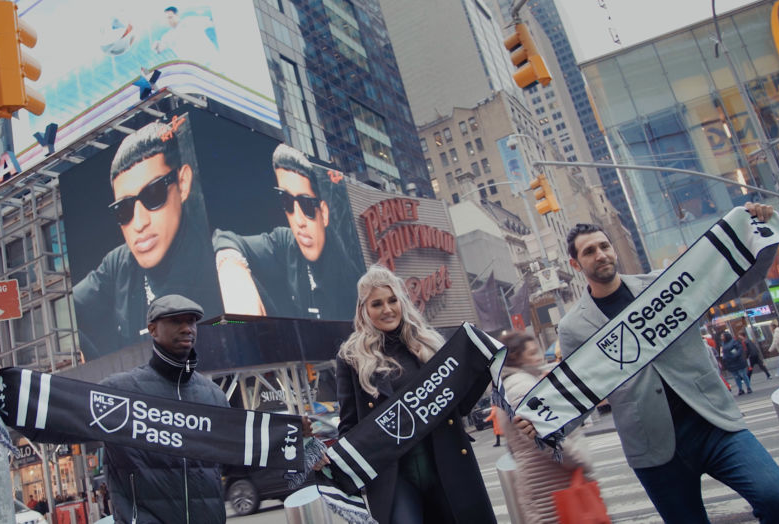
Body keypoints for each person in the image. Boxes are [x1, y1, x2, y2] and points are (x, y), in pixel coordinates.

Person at [518, 203, 779, 523]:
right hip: (654, 450)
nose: (600, 254)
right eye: (588, 252)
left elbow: (734, 282)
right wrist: (545, 423)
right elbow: (580, 390)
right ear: (575, 263)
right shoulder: (573, 327)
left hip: (714, 425)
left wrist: (764, 235)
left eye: (604, 246)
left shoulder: (664, 284)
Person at [0, 294, 228, 523]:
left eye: (192, 321)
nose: (187, 328)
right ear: (152, 329)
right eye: (176, 321)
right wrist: (4, 393)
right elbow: (58, 420)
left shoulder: (213, 396)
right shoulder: (121, 392)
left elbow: (239, 454)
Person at [334, 265, 496, 524]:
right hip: (394, 477)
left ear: (402, 302)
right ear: (364, 310)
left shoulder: (430, 344)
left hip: (446, 463)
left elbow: (459, 405)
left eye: (392, 300)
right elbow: (349, 426)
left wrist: (483, 367)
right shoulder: (351, 358)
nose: (387, 309)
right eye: (377, 304)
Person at [72, 121, 221, 359]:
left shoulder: (214, 256)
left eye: (154, 194)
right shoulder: (118, 264)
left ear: (183, 183)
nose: (139, 222)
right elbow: (69, 310)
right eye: (124, 209)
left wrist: (233, 260)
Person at [213, 144, 360, 320]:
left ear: (325, 213)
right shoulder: (286, 241)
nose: (298, 221)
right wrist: (234, 272)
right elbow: (227, 239)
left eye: (307, 205)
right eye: (287, 201)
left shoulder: (349, 270)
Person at [498, 331, 594, 524]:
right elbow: (549, 438)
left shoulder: (514, 386)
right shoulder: (521, 388)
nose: (539, 357)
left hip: (548, 483)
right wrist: (580, 460)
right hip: (550, 487)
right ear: (516, 358)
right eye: (532, 353)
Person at [151, 6, 219, 68]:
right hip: (195, 68)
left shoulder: (190, 21)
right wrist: (156, 46)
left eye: (170, 17)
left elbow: (211, 21)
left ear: (177, 15)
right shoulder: (168, 37)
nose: (169, 21)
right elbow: (159, 50)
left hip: (211, 61)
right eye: (167, 19)